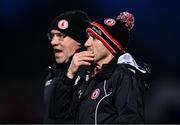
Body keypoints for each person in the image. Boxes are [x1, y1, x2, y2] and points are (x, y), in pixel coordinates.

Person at [49, 12, 151, 124]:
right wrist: (69, 76)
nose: (87, 43)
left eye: (94, 38)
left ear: (110, 45)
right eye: (88, 37)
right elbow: (58, 114)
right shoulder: (87, 74)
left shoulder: (124, 76)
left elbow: (131, 121)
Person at [43, 10, 91, 123]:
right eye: (52, 35)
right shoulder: (51, 74)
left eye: (60, 35)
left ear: (79, 40)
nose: (53, 42)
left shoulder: (91, 73)